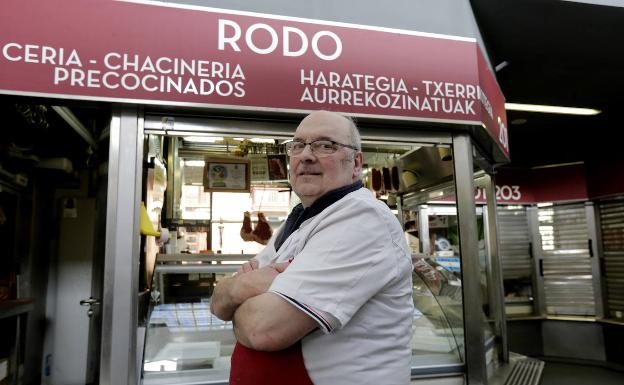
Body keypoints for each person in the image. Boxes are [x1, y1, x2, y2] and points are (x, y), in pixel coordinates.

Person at [210, 110, 414, 385]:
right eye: (298, 145)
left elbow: (264, 328)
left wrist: (243, 292)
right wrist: (238, 288)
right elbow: (218, 304)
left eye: (325, 145)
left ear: (355, 163)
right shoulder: (298, 222)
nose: (306, 155)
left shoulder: (364, 218)